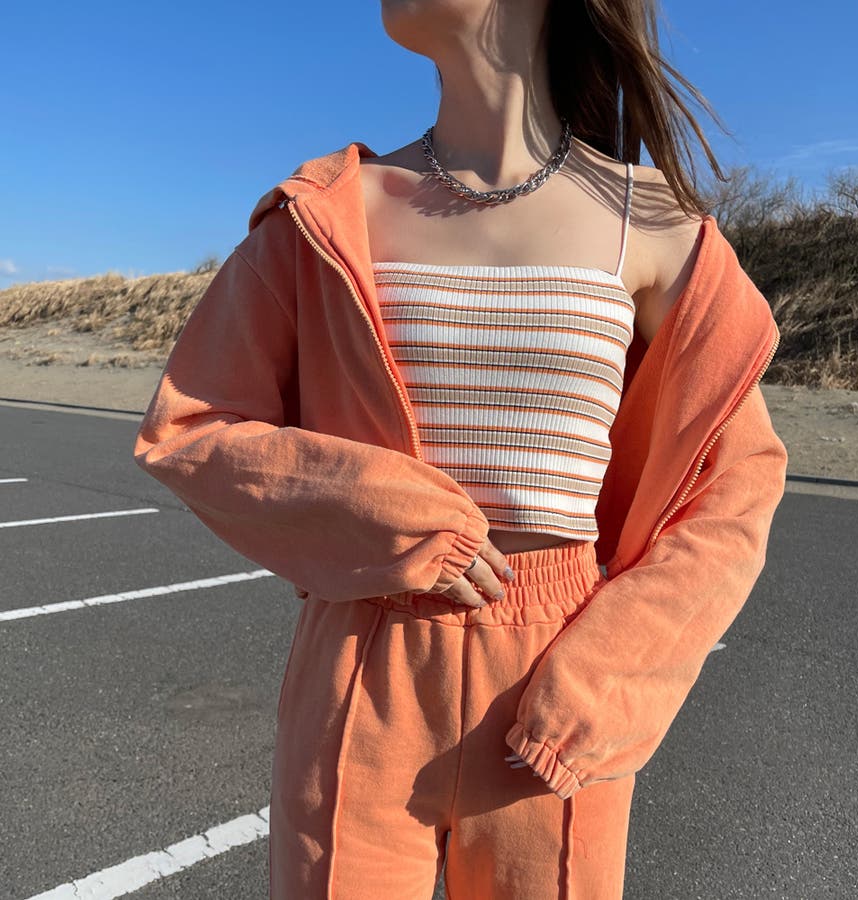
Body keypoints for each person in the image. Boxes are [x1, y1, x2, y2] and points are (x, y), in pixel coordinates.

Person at [133, 0, 788, 897]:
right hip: (363, 662)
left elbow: (735, 483)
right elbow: (190, 427)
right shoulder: (326, 216)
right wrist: (391, 517)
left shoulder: (655, 223)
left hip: (556, 669)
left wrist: (608, 676)